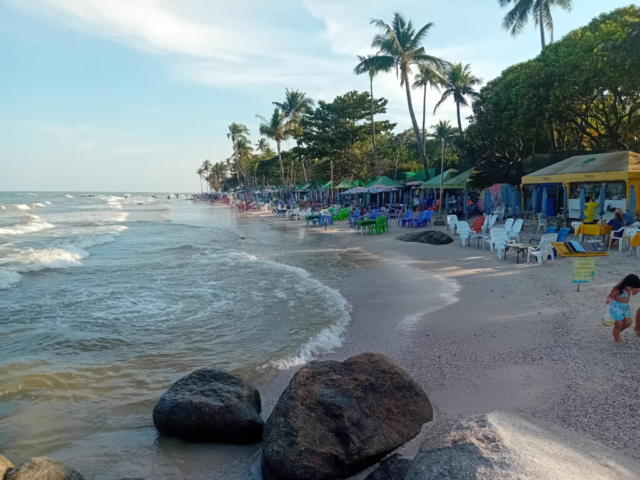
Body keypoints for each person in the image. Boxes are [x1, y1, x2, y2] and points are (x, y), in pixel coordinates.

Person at [605, 274, 640, 343]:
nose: (632, 290)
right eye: (631, 288)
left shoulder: (629, 288)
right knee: (619, 323)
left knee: (628, 323)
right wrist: (608, 299)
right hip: (616, 307)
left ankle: (616, 332)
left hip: (625, 307)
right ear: (627, 284)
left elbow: (634, 293)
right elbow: (610, 296)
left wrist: (635, 289)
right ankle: (616, 338)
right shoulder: (618, 288)